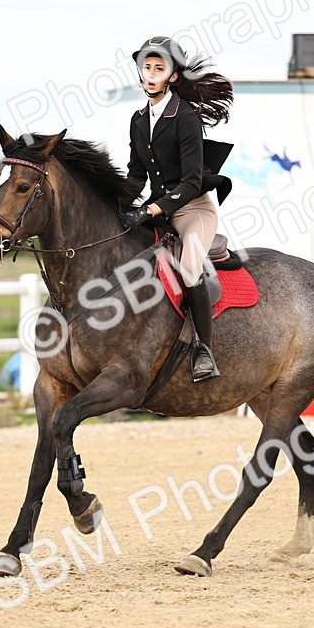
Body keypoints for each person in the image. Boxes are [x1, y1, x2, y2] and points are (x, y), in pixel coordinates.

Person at [120, 36, 233, 382]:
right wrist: (116, 202)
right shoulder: (138, 119)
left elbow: (191, 181)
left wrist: (151, 210)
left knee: (188, 267)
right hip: (160, 210)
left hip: (193, 210)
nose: (151, 74)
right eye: (147, 68)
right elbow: (136, 175)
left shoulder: (185, 118)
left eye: (159, 68)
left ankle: (204, 349)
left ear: (172, 76)